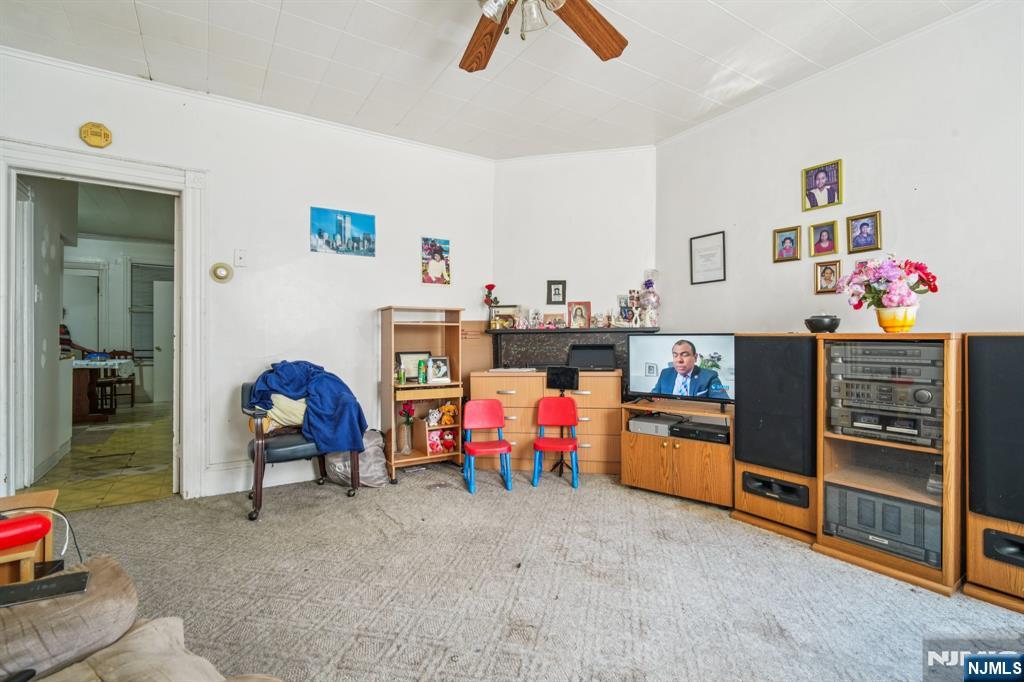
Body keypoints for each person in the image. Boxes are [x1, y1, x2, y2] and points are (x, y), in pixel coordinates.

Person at [652, 339, 729, 399]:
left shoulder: (710, 376)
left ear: (695, 358)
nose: (679, 360)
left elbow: (723, 401)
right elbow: (651, 398)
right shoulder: (665, 374)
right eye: (675, 355)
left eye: (685, 355)